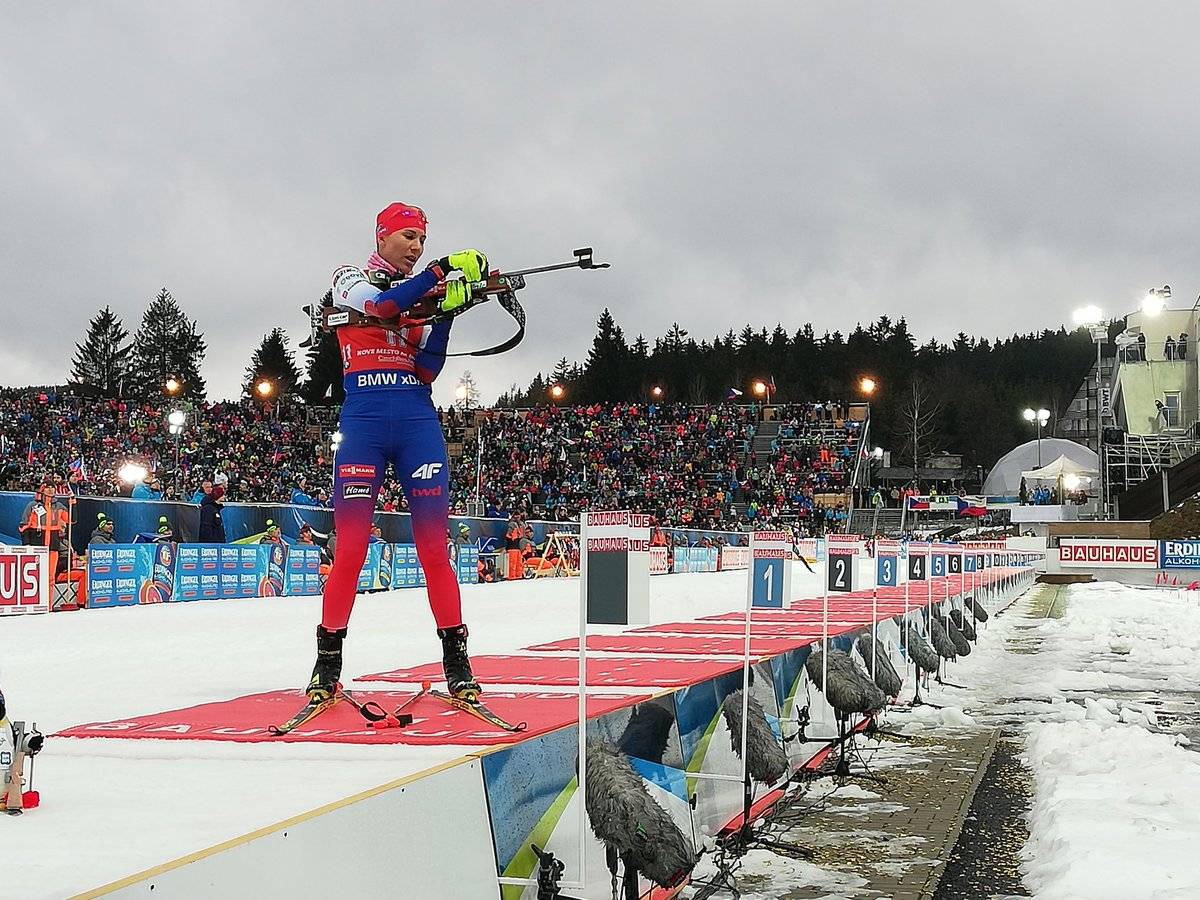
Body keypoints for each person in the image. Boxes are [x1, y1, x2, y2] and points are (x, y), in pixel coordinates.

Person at [304, 201, 489, 703]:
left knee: (433, 549)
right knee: (351, 549)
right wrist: (441, 270)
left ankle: (458, 665)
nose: (416, 247)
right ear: (382, 236)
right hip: (363, 421)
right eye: (408, 237)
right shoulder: (351, 278)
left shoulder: (421, 295)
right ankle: (326, 666)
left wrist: (446, 313)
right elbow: (383, 307)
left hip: (416, 421)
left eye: (423, 241)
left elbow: (427, 368)